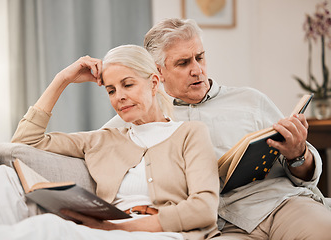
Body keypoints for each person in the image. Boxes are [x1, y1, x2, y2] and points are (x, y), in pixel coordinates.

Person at [103, 18, 331, 239]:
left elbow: (307, 177)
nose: (197, 70)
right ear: (158, 72)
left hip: (281, 204)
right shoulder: (138, 117)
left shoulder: (250, 100)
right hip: (221, 225)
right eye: (183, 63)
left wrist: (298, 155)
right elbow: (79, 149)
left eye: (200, 58)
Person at [0, 45, 220, 240]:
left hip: (162, 234)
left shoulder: (190, 133)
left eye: (128, 84)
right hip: (103, 230)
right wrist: (63, 79)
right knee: (0, 177)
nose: (119, 96)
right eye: (111, 90)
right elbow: (25, 141)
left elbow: (204, 208)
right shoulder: (103, 139)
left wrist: (113, 228)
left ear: (154, 83)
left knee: (48, 228)